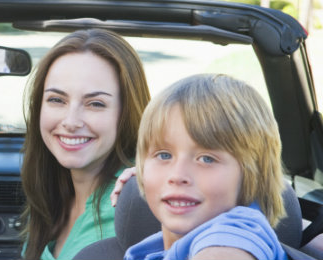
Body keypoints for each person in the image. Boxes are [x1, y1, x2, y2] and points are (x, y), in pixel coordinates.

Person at [20, 28, 151, 260]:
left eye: (95, 104)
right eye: (57, 100)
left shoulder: (133, 204)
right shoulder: (52, 192)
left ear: (126, 113)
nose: (70, 122)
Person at [125, 74, 287, 260]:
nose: (177, 175)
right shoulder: (148, 251)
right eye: (164, 155)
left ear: (254, 173)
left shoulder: (237, 233)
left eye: (207, 159)